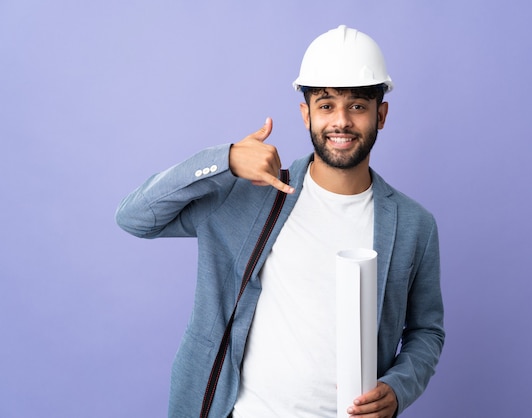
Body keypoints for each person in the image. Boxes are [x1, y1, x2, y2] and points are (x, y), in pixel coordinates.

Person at [116, 25, 444, 418]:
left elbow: (426, 331)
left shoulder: (413, 224)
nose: (341, 121)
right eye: (326, 105)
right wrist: (225, 159)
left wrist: (398, 388)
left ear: (381, 114)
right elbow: (136, 217)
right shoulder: (252, 195)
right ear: (306, 114)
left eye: (357, 105)